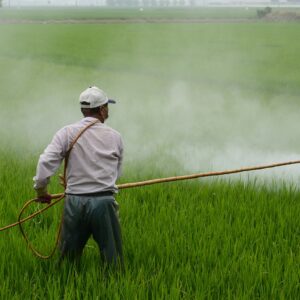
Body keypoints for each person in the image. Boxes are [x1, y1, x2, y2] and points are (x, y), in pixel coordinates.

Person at [33, 86, 124, 267]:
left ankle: (65, 285)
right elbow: (116, 173)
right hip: (104, 202)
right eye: (107, 106)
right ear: (102, 109)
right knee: (113, 261)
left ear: (84, 110)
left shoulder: (66, 132)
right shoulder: (115, 137)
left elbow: (45, 163)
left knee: (67, 262)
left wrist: (41, 191)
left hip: (74, 202)